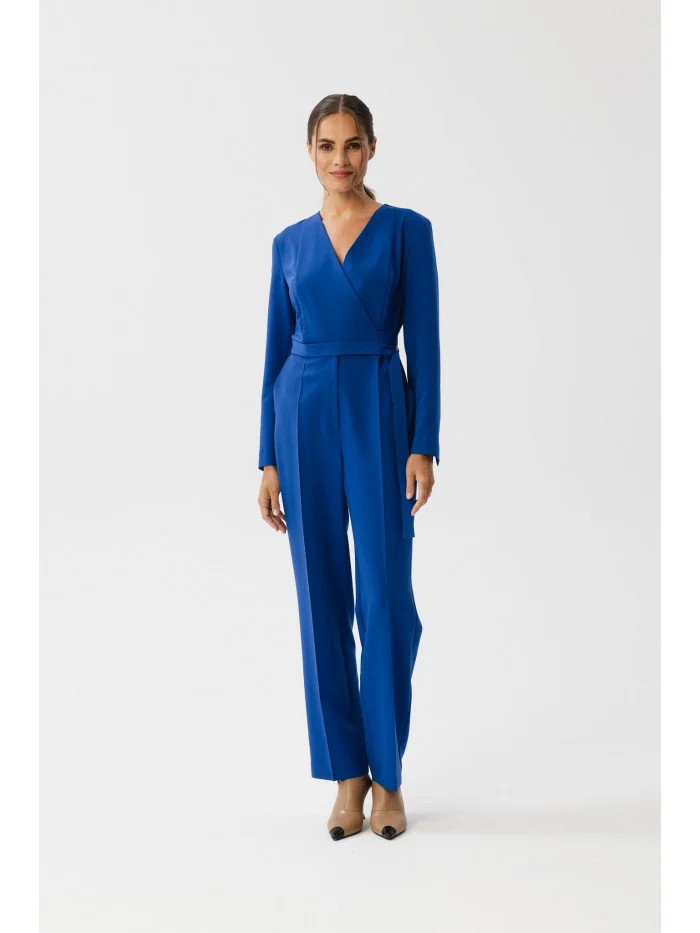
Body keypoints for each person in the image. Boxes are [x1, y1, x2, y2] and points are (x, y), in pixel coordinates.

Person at [256, 94, 441, 841]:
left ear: (372, 149)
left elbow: (425, 342)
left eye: (353, 144)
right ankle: (347, 774)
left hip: (376, 402)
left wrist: (423, 441)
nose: (341, 158)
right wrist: (268, 457)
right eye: (327, 145)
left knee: (386, 595)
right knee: (320, 595)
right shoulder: (289, 243)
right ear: (310, 151)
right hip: (300, 409)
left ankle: (388, 773)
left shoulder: (407, 231)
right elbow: (274, 350)